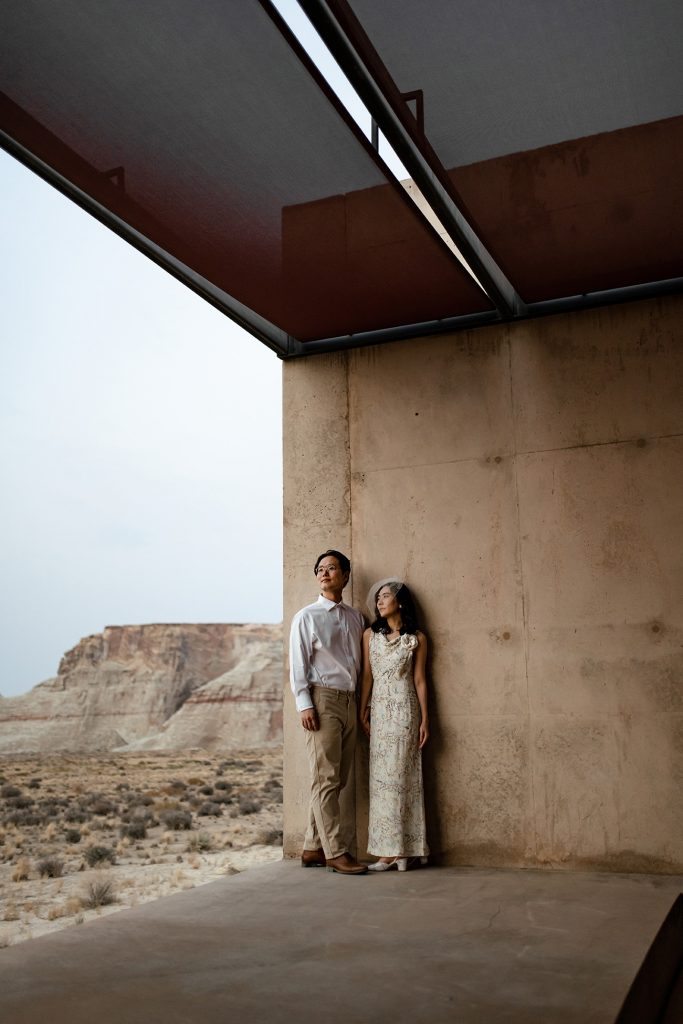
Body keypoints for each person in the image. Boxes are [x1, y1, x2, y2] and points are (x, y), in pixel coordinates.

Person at [289, 549, 367, 875]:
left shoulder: (356, 617)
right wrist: (304, 703)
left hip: (350, 700)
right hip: (322, 702)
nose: (324, 573)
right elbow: (298, 664)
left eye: (332, 568)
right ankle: (335, 851)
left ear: (345, 575)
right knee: (326, 779)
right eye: (320, 568)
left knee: (335, 779)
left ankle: (311, 847)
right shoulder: (306, 616)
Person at [359, 578, 429, 871]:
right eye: (377, 598)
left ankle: (404, 851)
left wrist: (426, 719)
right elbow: (367, 676)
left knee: (403, 780)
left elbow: (420, 680)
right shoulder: (369, 636)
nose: (379, 602)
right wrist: (363, 708)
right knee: (381, 782)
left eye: (385, 596)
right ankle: (389, 852)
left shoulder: (417, 638)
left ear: (399, 601)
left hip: (405, 712)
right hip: (380, 714)